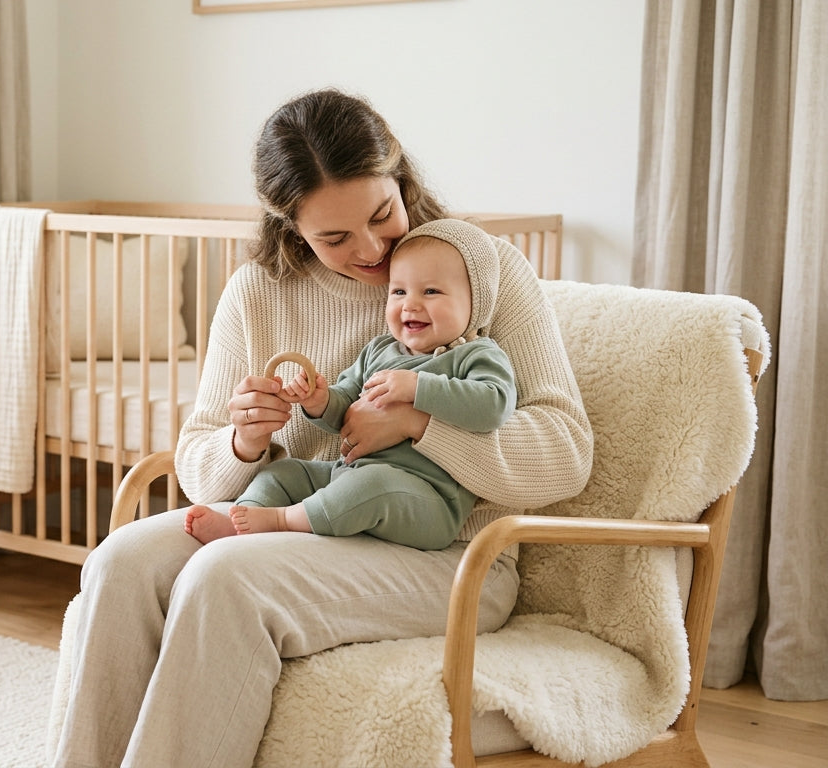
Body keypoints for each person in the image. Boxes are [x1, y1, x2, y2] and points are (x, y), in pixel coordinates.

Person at [50, 87, 592, 768]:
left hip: (448, 552)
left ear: (402, 180)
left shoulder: (478, 270)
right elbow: (197, 469)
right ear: (291, 228)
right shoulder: (259, 291)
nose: (372, 250)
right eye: (335, 237)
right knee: (118, 563)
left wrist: (420, 424)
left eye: (383, 214)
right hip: (296, 517)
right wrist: (244, 440)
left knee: (226, 579)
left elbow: (566, 453)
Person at [185, 217, 517, 551]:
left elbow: (494, 404)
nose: (410, 304)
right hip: (349, 472)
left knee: (369, 485)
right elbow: (347, 409)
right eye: (398, 291)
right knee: (284, 472)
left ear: (475, 303)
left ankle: (282, 521)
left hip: (427, 500)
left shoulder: (475, 354)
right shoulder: (380, 350)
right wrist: (319, 400)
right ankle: (244, 518)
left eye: (431, 291)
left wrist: (418, 387)